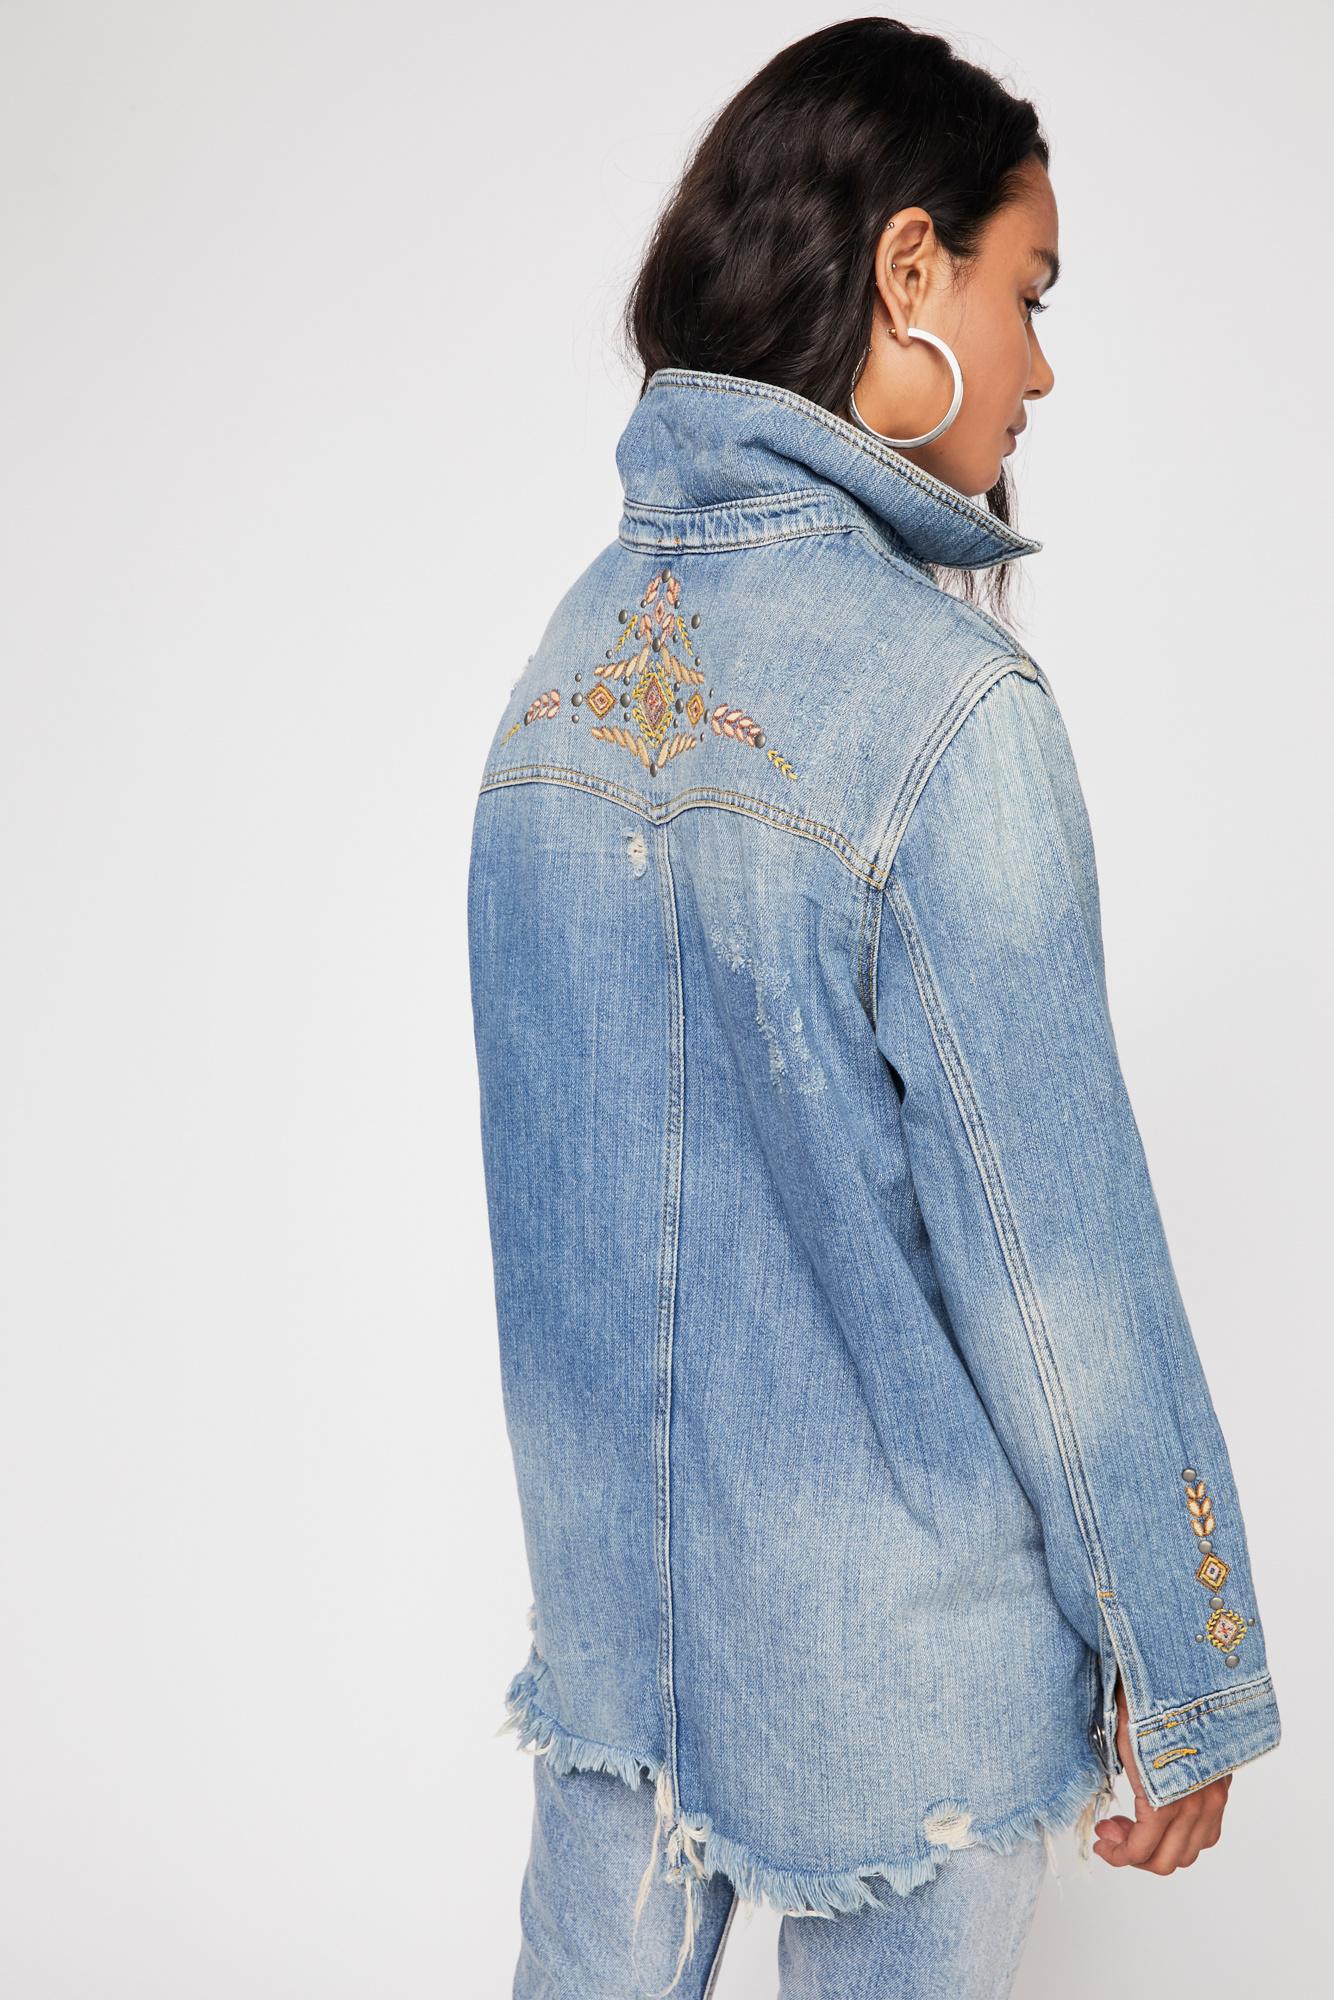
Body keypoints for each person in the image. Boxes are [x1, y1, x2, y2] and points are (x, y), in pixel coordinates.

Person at [466, 17, 1281, 1997]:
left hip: (617, 1648)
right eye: (1028, 291)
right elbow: (1050, 1249)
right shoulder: (946, 709)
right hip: (904, 1686)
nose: (1040, 366)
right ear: (910, 271)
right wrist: (1186, 1663)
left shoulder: (560, 677)